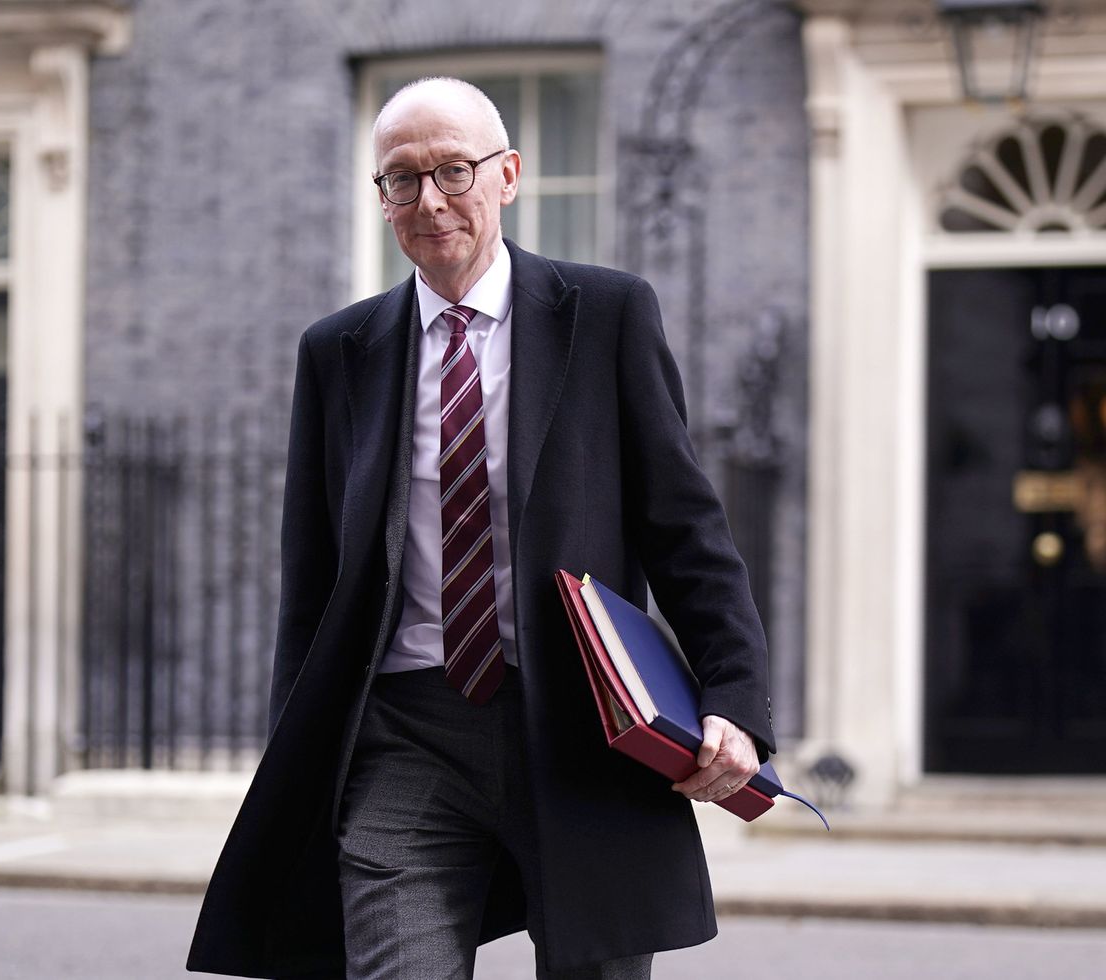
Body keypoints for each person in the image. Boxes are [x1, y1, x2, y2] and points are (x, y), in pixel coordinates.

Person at [187, 76, 775, 980]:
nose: (430, 202)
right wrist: (300, 754)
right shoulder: (336, 353)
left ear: (508, 175)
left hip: (585, 731)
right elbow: (312, 580)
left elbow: (684, 526)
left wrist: (733, 699)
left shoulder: (605, 315)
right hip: (403, 735)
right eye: (401, 179)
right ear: (379, 198)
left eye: (454, 172)